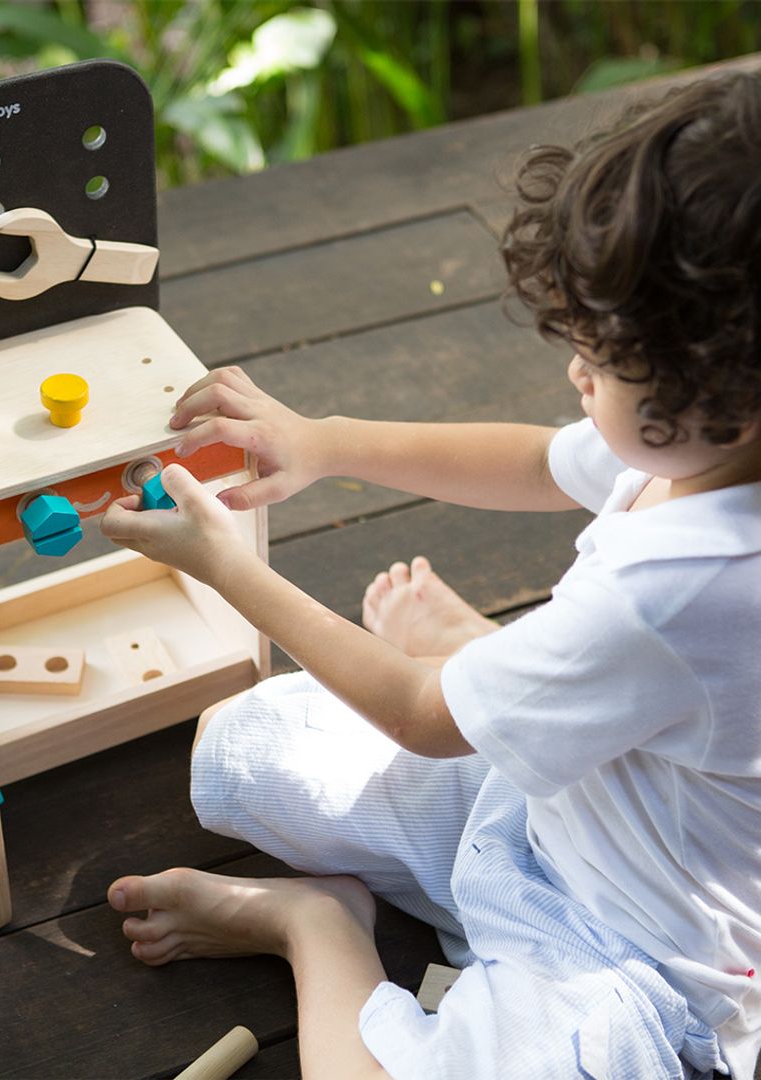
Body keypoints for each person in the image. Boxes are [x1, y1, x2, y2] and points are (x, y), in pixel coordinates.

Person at [99, 69, 761, 1080]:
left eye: (606, 357)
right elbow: (542, 462)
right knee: (234, 756)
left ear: (723, 387)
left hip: (641, 967)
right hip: (555, 804)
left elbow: (414, 712)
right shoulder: (702, 448)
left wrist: (223, 566)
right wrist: (322, 441)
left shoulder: (681, 586)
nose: (578, 370)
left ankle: (319, 929)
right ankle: (495, 665)